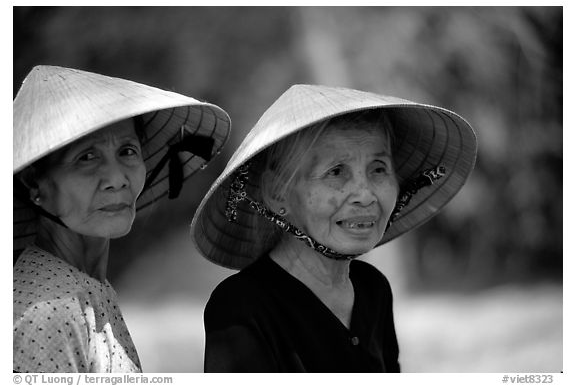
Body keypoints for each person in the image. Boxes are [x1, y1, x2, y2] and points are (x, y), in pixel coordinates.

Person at [191, 84, 477, 372]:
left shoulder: (373, 289)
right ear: (278, 193)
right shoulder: (241, 309)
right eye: (336, 172)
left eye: (378, 169)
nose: (365, 195)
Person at [13, 65, 231, 373]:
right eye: (86, 157)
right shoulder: (47, 311)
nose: (117, 178)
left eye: (127, 151)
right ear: (35, 185)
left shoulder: (86, 289)